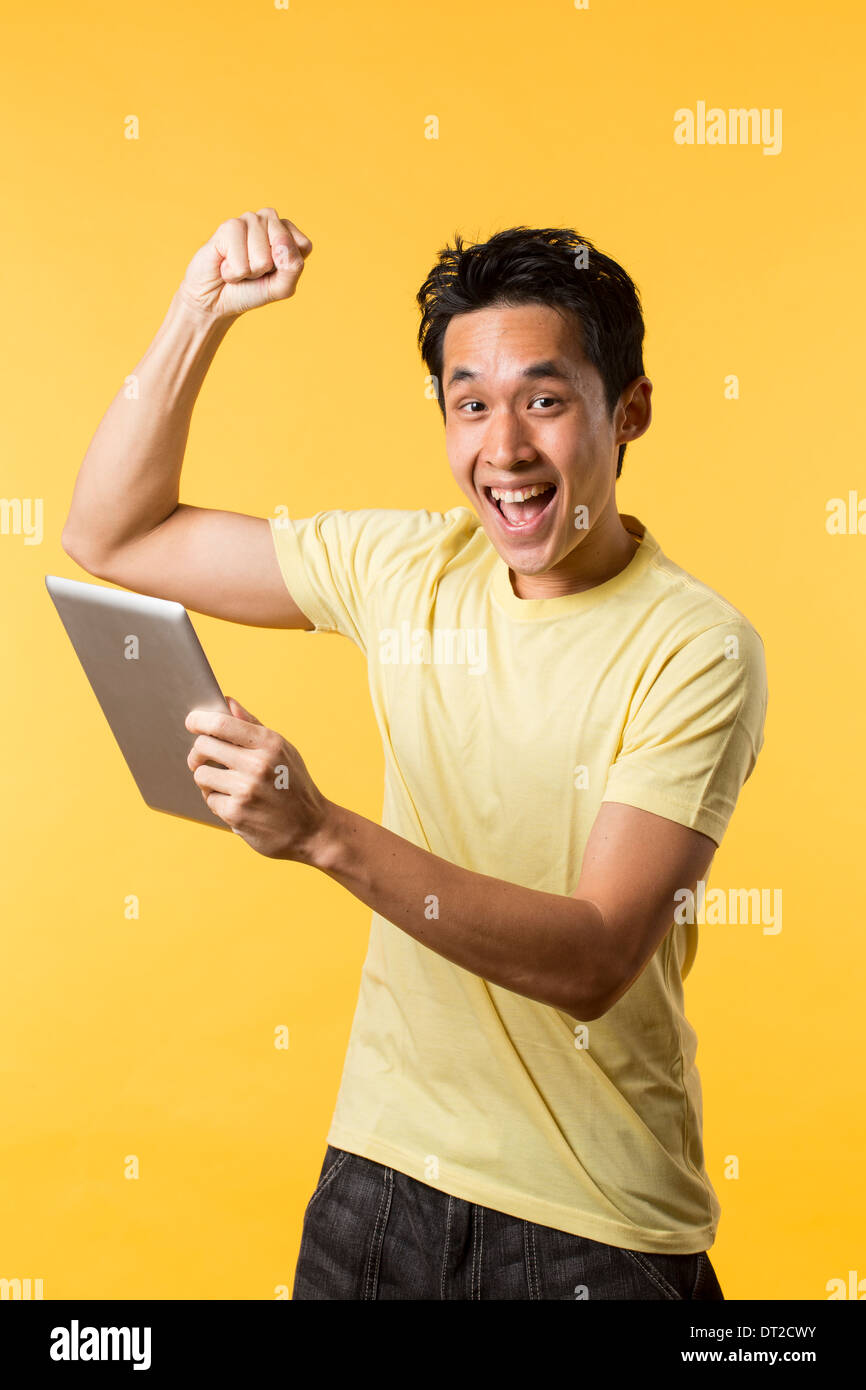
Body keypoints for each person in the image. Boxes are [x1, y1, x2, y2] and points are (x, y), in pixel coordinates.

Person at [62, 209, 767, 1300]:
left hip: (588, 1228)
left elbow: (591, 957)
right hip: (375, 1186)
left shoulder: (694, 647)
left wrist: (321, 832)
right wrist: (198, 309)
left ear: (625, 411)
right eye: (468, 404)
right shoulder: (408, 569)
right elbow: (111, 533)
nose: (505, 450)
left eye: (543, 399)